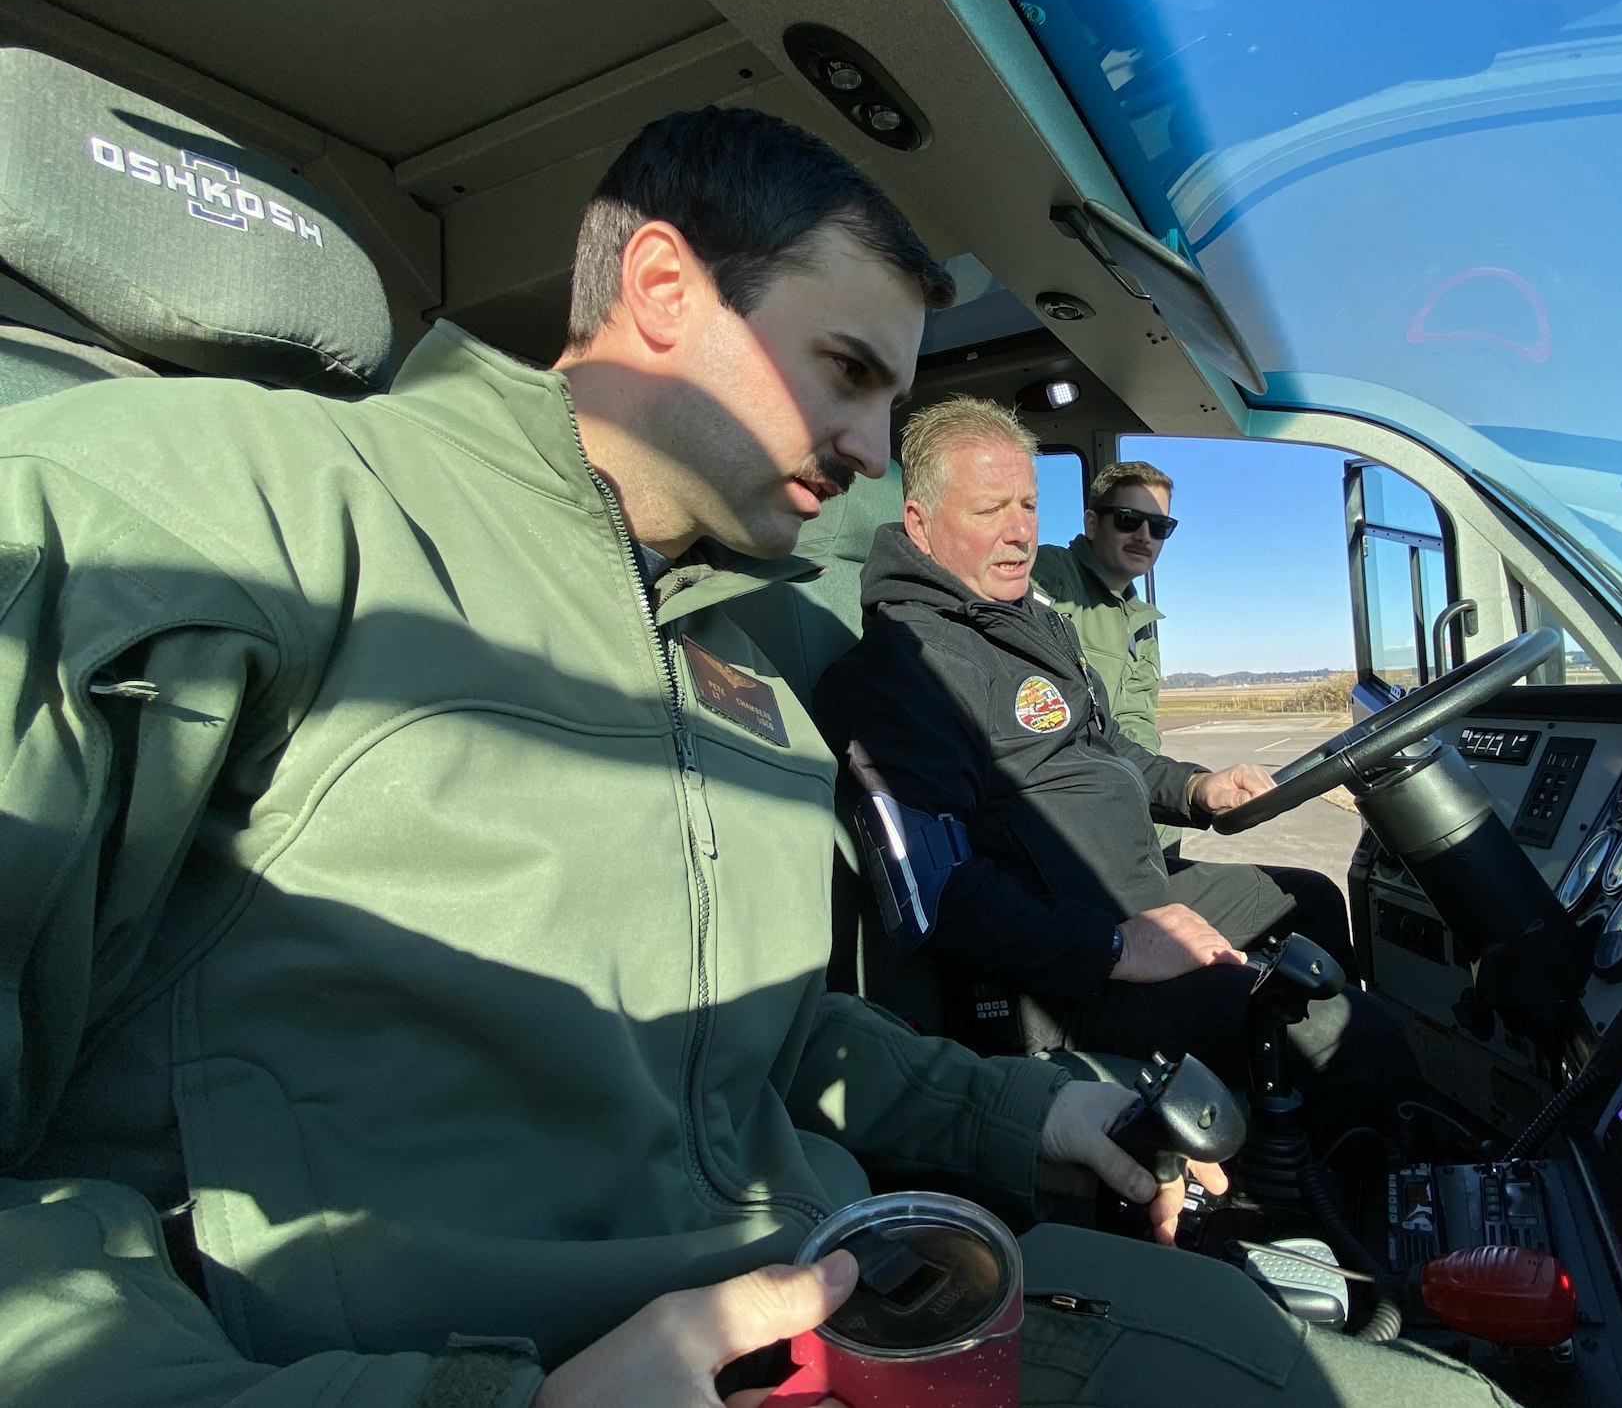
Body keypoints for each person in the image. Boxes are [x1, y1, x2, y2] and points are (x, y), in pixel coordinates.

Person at [0, 106, 1510, 1408]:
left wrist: (1019, 1114)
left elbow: (760, 1045)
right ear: (663, 288)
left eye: (890, 400)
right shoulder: (221, 517)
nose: (867, 448)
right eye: (844, 369)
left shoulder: (739, 668)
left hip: (855, 1287)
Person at [814, 398, 1421, 1142]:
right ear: (919, 523)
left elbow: (1109, 750)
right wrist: (1116, 947)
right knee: (1352, 1035)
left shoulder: (1025, 623)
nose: (1020, 531)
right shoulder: (904, 669)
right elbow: (935, 894)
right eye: (990, 509)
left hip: (1133, 896)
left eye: (1028, 504)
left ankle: (1307, 1140)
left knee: (1310, 901)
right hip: (1058, 971)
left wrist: (1195, 789)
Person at [1032, 460, 1182, 852]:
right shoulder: (1052, 575)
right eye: (1128, 519)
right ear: (1093, 523)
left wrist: (1172, 790)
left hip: (1122, 803)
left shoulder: (1141, 624)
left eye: (1160, 526)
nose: (1145, 536)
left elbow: (1136, 723)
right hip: (1063, 808)